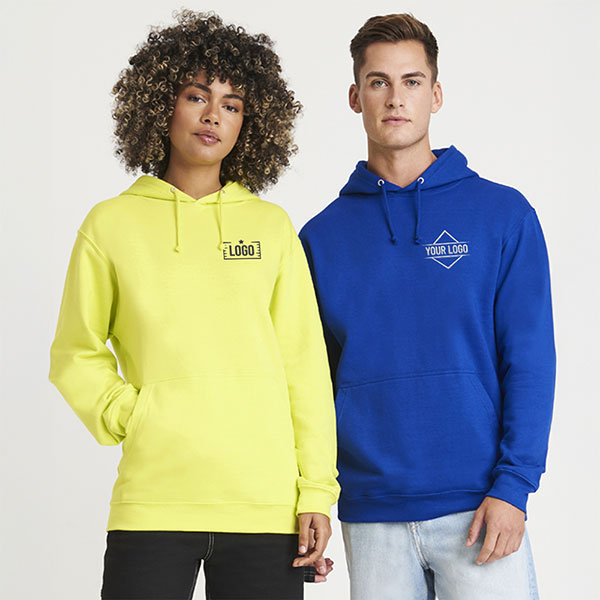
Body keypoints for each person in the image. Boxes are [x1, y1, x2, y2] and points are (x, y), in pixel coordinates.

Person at [48, 10, 339, 600]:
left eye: (232, 104)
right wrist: (135, 416)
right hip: (153, 501)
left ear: (249, 123)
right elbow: (75, 352)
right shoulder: (110, 224)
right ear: (162, 104)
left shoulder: (271, 227)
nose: (213, 116)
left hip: (264, 507)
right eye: (197, 96)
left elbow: (305, 367)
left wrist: (315, 490)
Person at [299, 13, 555, 600]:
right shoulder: (320, 238)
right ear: (355, 97)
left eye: (411, 81)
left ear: (435, 94)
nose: (396, 98)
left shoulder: (501, 215)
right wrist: (310, 496)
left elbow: (530, 360)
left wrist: (514, 486)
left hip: (481, 507)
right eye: (378, 82)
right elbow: (310, 382)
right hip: (371, 513)